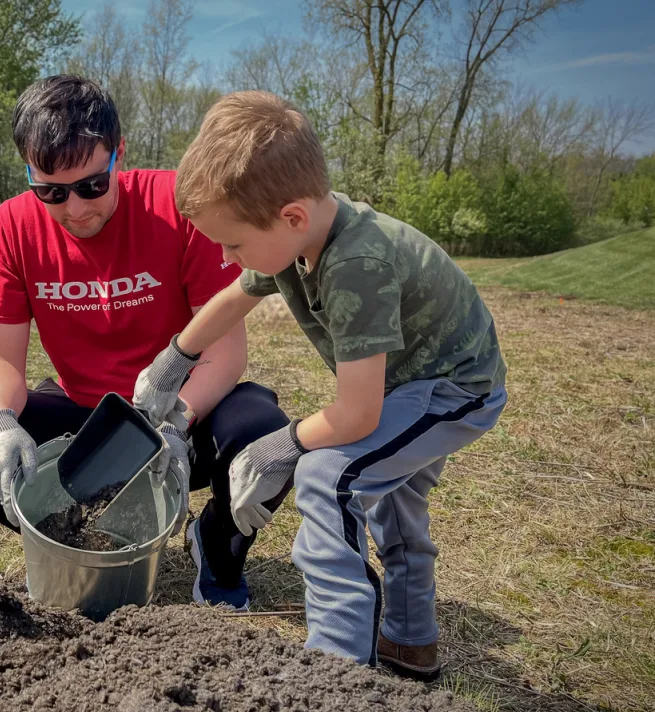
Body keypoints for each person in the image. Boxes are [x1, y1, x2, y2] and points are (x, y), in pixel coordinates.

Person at [133, 91, 508, 680]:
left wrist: (277, 446)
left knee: (326, 476)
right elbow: (233, 299)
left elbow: (356, 415)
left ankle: (336, 671)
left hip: (452, 390)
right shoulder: (290, 238)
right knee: (392, 497)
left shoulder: (357, 264)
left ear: (292, 217)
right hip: (410, 386)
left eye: (232, 243)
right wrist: (173, 361)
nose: (228, 259)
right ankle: (411, 647)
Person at [0, 75, 292, 610]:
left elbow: (224, 351)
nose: (74, 209)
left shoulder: (178, 206)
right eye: (51, 191)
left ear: (119, 153)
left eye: (92, 185)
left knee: (263, 435)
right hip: (86, 420)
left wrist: (177, 420)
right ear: (28, 172)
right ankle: (72, 541)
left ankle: (216, 545)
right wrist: (1, 424)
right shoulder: (11, 225)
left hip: (174, 412)